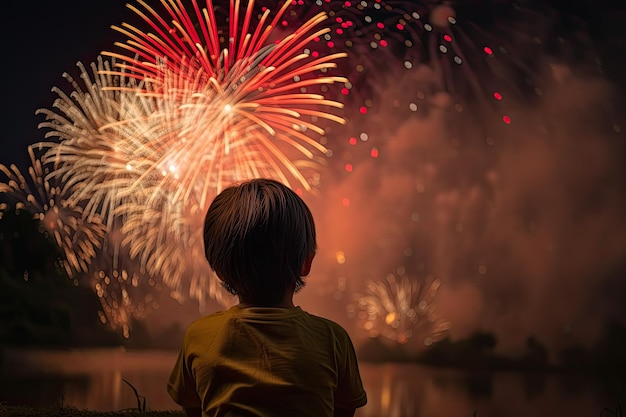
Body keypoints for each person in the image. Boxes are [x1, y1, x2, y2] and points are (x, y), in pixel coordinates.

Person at [167, 178, 367, 417]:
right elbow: (344, 410)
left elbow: (192, 408)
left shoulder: (199, 336)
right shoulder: (333, 340)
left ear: (219, 269)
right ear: (306, 263)